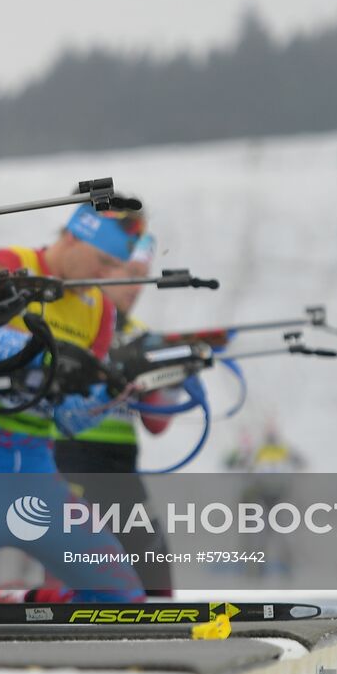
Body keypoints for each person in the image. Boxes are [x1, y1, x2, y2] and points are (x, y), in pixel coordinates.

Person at [0, 205, 147, 602]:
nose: (105, 276)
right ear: (73, 236)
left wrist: (113, 389)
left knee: (122, 593)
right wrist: (48, 355)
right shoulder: (13, 263)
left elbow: (68, 420)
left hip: (36, 472)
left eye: (116, 266)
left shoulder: (101, 312)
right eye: (102, 261)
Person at [54, 231, 206, 595]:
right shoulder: (72, 320)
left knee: (156, 580)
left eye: (143, 276)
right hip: (67, 459)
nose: (135, 287)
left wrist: (175, 373)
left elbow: (156, 422)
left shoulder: (142, 336)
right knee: (77, 573)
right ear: (103, 267)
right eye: (128, 273)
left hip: (120, 468)